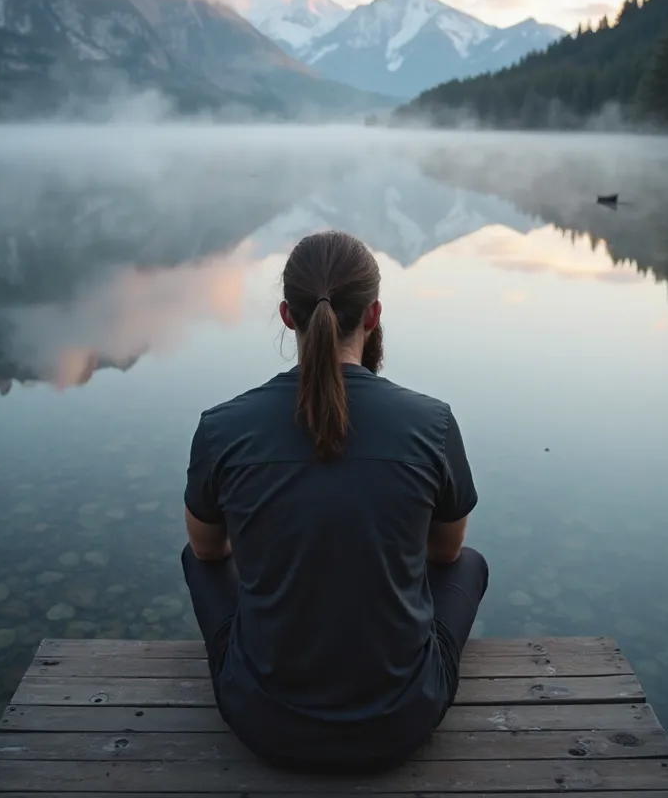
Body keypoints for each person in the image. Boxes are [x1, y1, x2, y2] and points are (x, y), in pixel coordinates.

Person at [182, 230, 488, 772]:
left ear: (285, 314)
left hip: (263, 724)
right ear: (372, 316)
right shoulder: (432, 423)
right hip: (401, 724)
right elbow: (445, 554)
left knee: (196, 560)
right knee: (470, 563)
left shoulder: (221, 427)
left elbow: (208, 551)